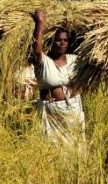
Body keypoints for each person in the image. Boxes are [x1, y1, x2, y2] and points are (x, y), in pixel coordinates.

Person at [31, 10, 85, 145]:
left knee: (75, 147)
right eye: (58, 40)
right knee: (52, 149)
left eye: (65, 40)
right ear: (51, 42)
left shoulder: (75, 60)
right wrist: (39, 23)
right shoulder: (43, 62)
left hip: (73, 110)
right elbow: (36, 50)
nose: (62, 43)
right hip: (51, 113)